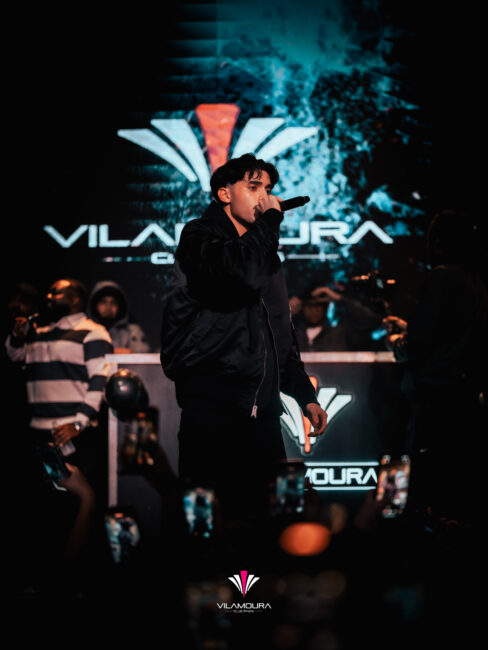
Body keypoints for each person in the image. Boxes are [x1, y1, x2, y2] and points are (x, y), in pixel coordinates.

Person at [160, 153, 327, 522]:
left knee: (266, 525)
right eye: (253, 187)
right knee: (211, 527)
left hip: (262, 415)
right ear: (224, 194)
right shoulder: (198, 238)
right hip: (212, 413)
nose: (263, 196)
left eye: (267, 188)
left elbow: (279, 331)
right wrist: (270, 221)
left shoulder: (264, 256)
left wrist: (304, 395)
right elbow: (240, 271)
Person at [383, 210, 488, 523]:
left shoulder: (441, 277)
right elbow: (453, 334)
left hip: (434, 401)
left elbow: (417, 346)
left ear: (439, 242)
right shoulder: (476, 283)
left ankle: (410, 535)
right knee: (454, 486)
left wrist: (396, 341)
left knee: (422, 483)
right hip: (464, 396)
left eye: (431, 239)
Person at [5, 277, 114, 492]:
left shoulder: (92, 332)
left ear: (75, 299)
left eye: (56, 292)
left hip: (72, 433)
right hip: (39, 433)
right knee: (44, 499)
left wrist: (78, 423)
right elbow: (15, 355)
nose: (49, 297)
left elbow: (100, 380)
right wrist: (18, 335)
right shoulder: (39, 333)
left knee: (77, 497)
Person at [292, 284, 382, 351]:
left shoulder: (340, 334)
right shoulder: (292, 336)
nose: (314, 310)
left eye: (319, 306)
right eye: (310, 305)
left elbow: (371, 321)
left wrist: (340, 299)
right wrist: (288, 311)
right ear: (302, 308)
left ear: (326, 308)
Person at [88, 280, 151, 353]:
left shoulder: (132, 331)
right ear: (94, 305)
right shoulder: (85, 329)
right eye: (103, 302)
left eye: (113, 303)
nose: (108, 307)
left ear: (120, 307)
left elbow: (142, 353)